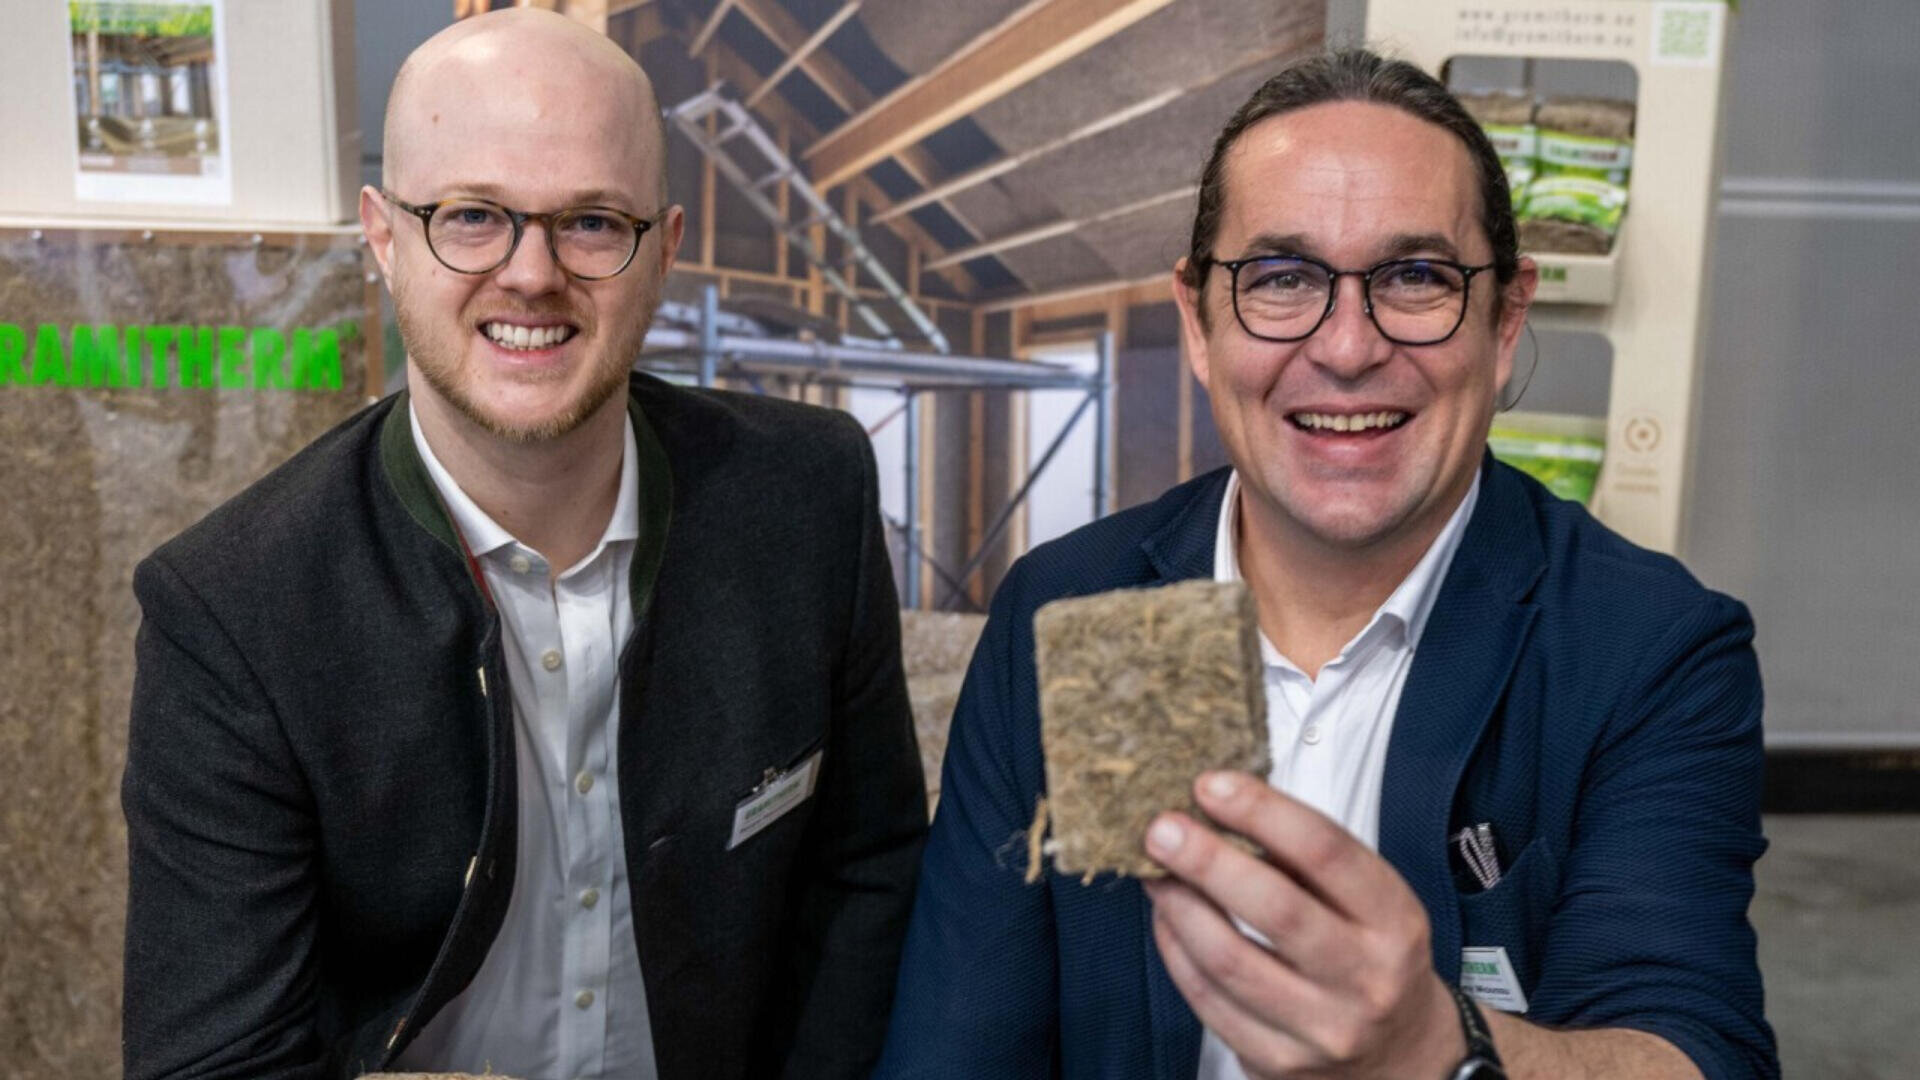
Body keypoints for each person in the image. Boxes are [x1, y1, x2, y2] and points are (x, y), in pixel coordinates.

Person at [877, 49, 1774, 1080]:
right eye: (1283, 279)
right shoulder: (1079, 609)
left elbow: (1692, 1049)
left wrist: (1439, 1052)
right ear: (1199, 322)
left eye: (1417, 278)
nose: (1348, 349)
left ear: (1505, 321)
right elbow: (957, 1046)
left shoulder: (1645, 648)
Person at [120, 10, 926, 1079]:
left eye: (591, 221)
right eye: (471, 215)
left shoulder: (809, 495)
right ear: (384, 237)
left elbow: (868, 877)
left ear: (665, 249)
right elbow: (213, 1065)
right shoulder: (233, 610)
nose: (532, 274)